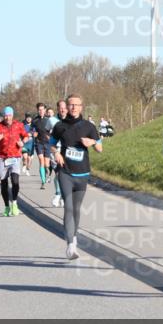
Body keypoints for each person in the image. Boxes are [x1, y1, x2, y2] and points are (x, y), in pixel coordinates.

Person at [52, 94, 102, 260]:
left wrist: (92, 143)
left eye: (76, 105)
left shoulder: (89, 126)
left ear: (81, 107)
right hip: (65, 172)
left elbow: (100, 148)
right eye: (70, 105)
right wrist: (57, 154)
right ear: (66, 107)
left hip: (83, 174)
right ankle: (70, 245)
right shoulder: (60, 126)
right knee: (68, 207)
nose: (73, 108)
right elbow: (51, 144)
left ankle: (74, 237)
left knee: (76, 209)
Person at [0, 106, 27, 216]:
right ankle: (7, 206)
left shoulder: (19, 125)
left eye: (9, 115)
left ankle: (15, 203)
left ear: (12, 115)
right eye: (6, 115)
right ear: (3, 116)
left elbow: (25, 136)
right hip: (2, 158)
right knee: (4, 183)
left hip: (15, 157)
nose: (7, 117)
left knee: (15, 181)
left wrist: (23, 142)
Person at [32, 103, 58, 191]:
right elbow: (31, 130)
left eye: (42, 109)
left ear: (45, 110)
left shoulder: (49, 120)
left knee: (47, 164)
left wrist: (52, 136)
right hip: (38, 143)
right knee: (41, 161)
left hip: (47, 143)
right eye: (39, 110)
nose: (41, 111)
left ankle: (47, 172)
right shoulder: (35, 120)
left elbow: (55, 130)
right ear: (37, 110)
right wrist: (33, 133)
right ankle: (43, 182)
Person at [50, 99, 68, 207]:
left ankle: (63, 195)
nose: (62, 110)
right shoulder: (52, 120)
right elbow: (46, 132)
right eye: (60, 108)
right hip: (56, 150)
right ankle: (57, 193)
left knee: (66, 175)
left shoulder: (71, 120)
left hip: (67, 150)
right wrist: (51, 139)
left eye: (64, 107)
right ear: (57, 108)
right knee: (58, 173)